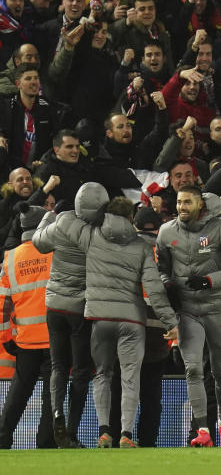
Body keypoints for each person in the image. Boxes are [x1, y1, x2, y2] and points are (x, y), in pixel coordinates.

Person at [55, 196, 178, 448]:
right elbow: (154, 289)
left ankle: (104, 431)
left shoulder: (92, 237)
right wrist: (169, 321)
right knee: (130, 379)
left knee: (103, 375)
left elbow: (66, 223)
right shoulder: (142, 247)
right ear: (131, 219)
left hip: (101, 319)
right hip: (132, 320)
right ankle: (127, 435)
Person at [155, 187, 221, 447]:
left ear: (200, 205)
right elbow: (161, 268)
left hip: (218, 309)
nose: (182, 206)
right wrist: (166, 283)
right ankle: (203, 431)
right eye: (179, 202)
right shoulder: (166, 232)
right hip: (187, 311)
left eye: (187, 202)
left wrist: (209, 281)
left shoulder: (220, 229)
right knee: (193, 369)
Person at [31, 182, 108, 448]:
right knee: (82, 370)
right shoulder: (100, 232)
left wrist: (47, 216)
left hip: (54, 306)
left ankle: (57, 414)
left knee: (58, 366)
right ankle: (72, 432)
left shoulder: (61, 222)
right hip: (80, 309)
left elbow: (38, 242)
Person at [0, 206, 55, 450]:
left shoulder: (10, 258)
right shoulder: (56, 252)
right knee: (51, 398)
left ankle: (2, 438)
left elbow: (2, 305)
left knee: (18, 394)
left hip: (24, 341)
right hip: (55, 339)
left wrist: (5, 338)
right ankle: (45, 444)